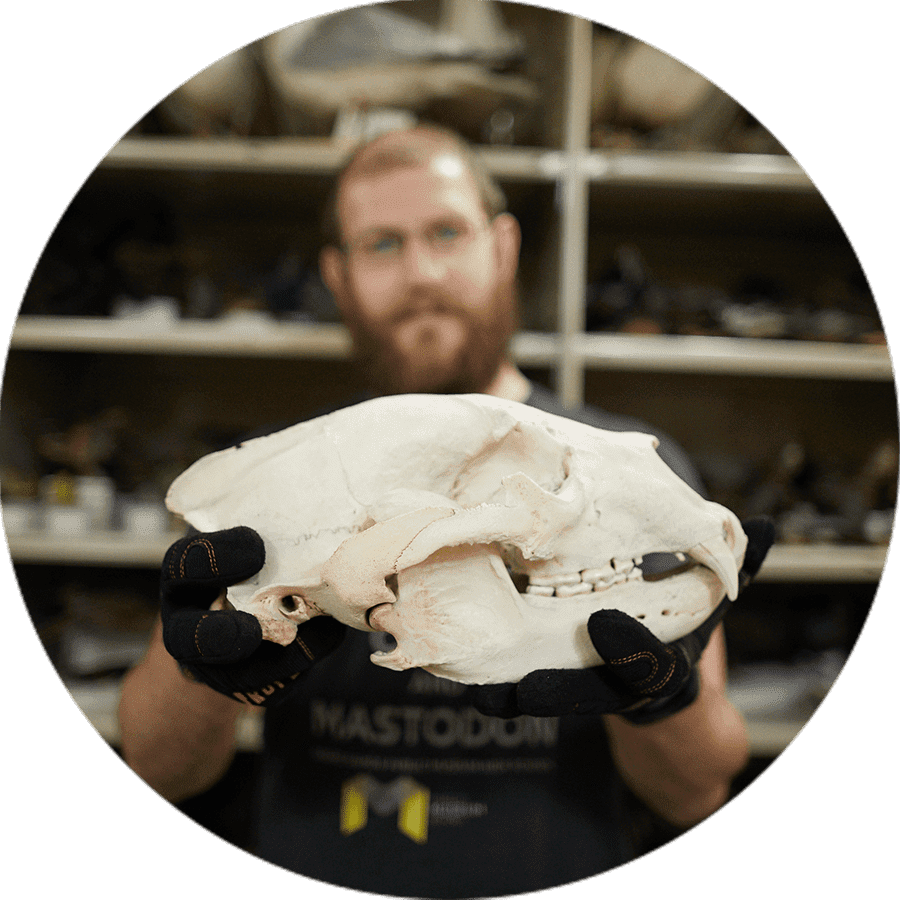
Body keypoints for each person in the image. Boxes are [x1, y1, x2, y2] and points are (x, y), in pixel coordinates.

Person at [119, 125, 767, 897]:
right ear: (338, 273)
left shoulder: (630, 468)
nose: (422, 272)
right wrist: (200, 669)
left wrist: (668, 701)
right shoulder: (269, 482)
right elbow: (157, 773)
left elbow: (695, 793)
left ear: (502, 246)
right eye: (383, 244)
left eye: (447, 233)